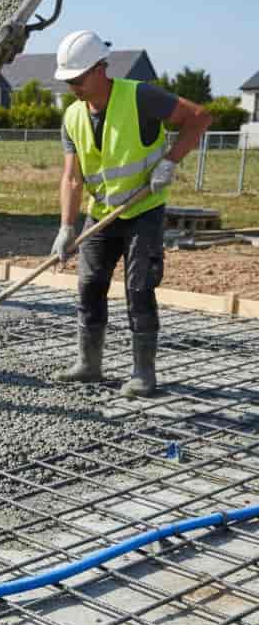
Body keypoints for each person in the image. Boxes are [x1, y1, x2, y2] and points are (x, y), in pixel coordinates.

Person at [50, 30, 211, 396]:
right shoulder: (73, 116)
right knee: (89, 286)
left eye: (77, 78)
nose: (73, 85)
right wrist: (65, 228)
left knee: (139, 288)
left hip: (143, 210)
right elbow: (72, 179)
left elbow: (199, 117)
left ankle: (143, 373)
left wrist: (170, 162)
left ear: (100, 68)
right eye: (68, 80)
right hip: (102, 212)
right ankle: (89, 365)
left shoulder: (139, 96)